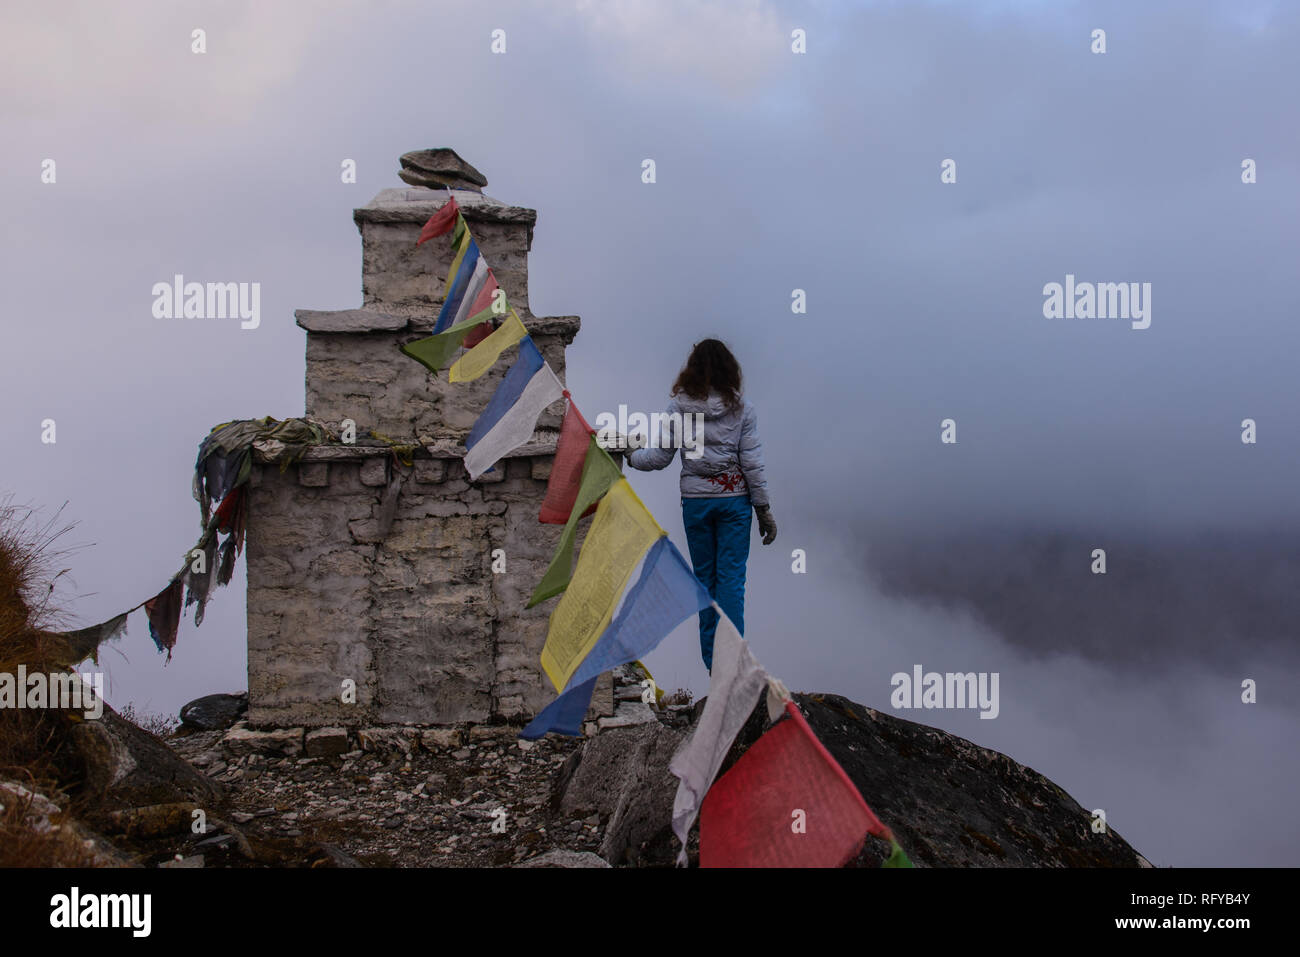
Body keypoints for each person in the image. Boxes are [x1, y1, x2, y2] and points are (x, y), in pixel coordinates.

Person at [625, 339, 776, 671]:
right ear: (730, 371)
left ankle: (714, 666)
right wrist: (763, 510)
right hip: (735, 503)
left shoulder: (678, 409)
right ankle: (735, 663)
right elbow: (752, 464)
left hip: (696, 505)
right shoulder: (742, 410)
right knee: (732, 581)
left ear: (690, 369)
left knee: (705, 582)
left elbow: (659, 458)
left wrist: (630, 457)